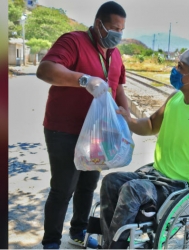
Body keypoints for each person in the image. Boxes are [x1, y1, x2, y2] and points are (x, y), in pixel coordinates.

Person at [99, 47, 189, 249]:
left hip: (177, 186)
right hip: (155, 176)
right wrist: (128, 119)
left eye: (180, 67)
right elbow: (150, 125)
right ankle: (109, 243)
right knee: (110, 181)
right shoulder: (175, 99)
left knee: (132, 190)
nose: (174, 70)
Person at [36, 1, 129, 249]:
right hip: (64, 130)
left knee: (88, 185)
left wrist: (126, 115)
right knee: (63, 188)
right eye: (113, 28)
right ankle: (52, 241)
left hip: (99, 133)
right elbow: (45, 70)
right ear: (98, 24)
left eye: (121, 29)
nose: (117, 34)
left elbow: (117, 86)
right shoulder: (73, 41)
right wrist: (84, 80)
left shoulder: (115, 54)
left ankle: (79, 231)